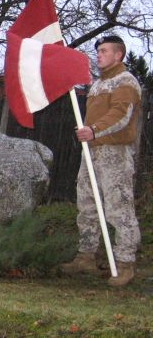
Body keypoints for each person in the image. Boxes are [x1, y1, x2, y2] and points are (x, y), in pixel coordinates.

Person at [60, 35, 142, 287]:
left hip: (114, 152)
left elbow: (121, 115)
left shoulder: (125, 82)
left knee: (119, 206)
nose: (99, 54)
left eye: (104, 51)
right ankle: (86, 255)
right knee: (87, 203)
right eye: (97, 51)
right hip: (91, 151)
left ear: (119, 55)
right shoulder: (96, 85)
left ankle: (125, 264)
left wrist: (94, 130)